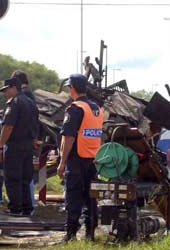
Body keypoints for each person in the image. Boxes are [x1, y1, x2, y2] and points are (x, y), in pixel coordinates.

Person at [57, 74, 104, 241]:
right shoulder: (96, 109)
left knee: (73, 195)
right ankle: (90, 233)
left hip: (76, 158)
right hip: (93, 159)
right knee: (91, 196)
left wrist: (62, 162)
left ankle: (70, 235)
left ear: (72, 88)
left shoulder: (75, 109)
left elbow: (68, 137)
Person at [0, 77, 39, 216]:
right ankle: (27, 209)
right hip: (28, 146)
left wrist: (0, 146)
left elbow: (8, 126)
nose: (5, 93)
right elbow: (36, 125)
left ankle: (15, 209)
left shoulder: (14, 103)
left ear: (14, 87)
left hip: (14, 145)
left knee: (13, 178)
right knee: (26, 178)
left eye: (6, 90)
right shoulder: (31, 103)